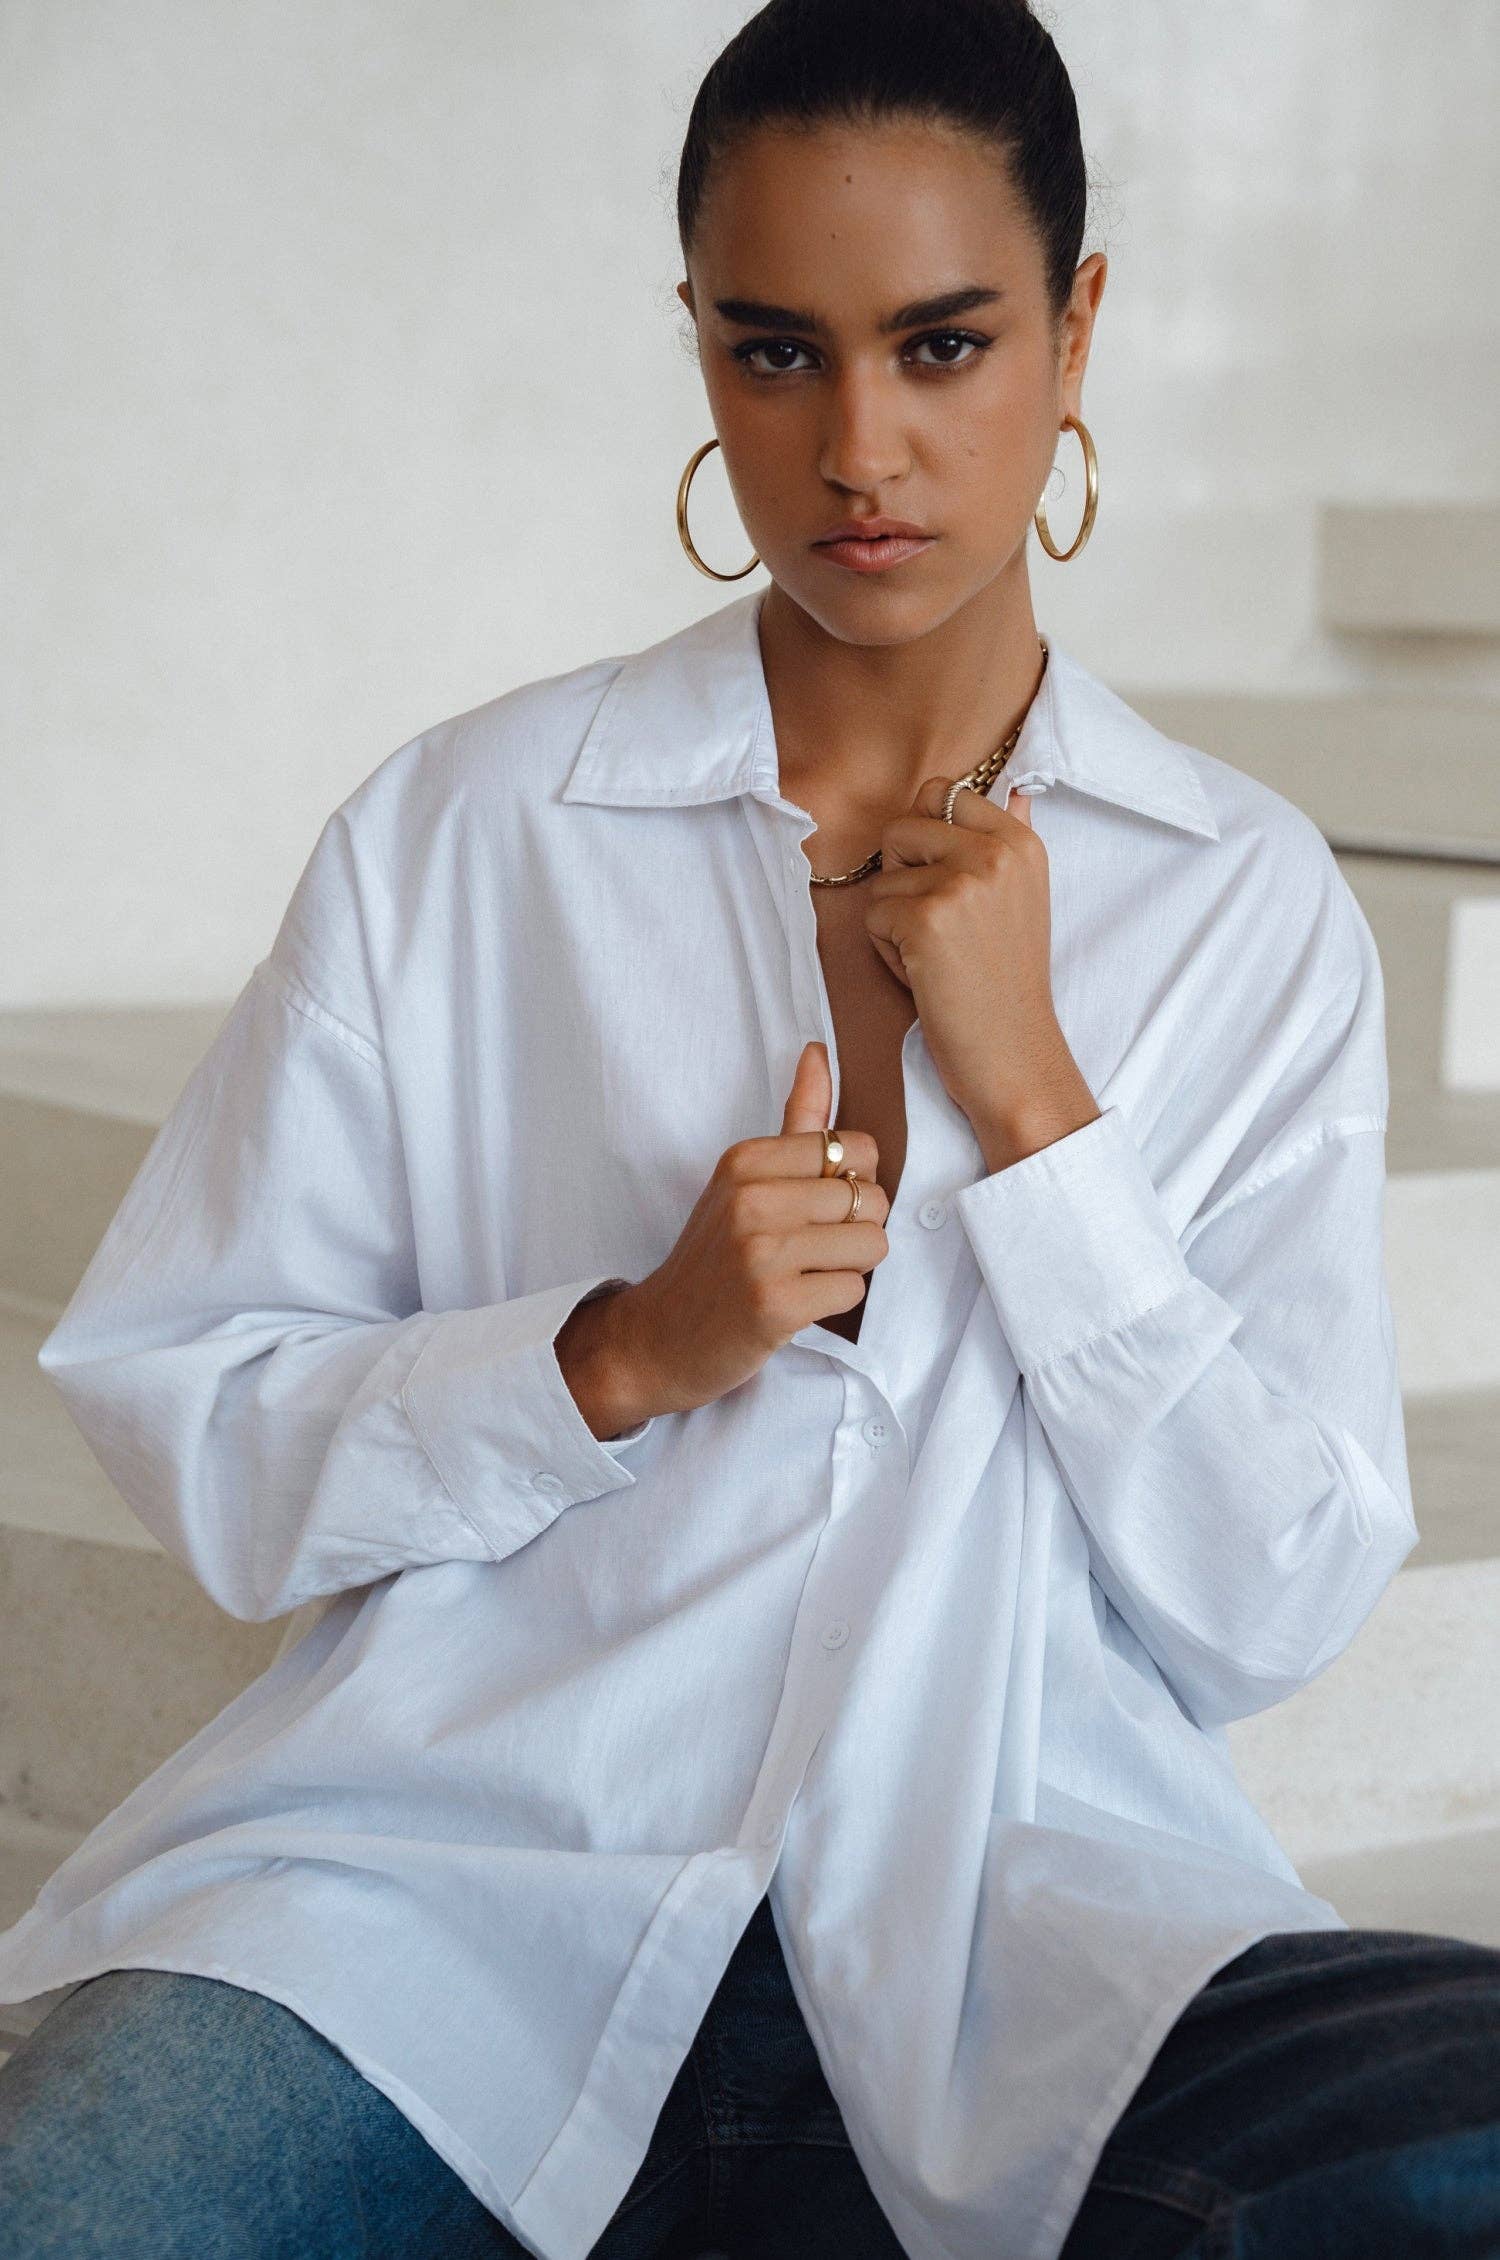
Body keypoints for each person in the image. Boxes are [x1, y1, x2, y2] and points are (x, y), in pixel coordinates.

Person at [2, 0, 1497, 2253]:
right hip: (444, 1904)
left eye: (945, 344)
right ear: (698, 339)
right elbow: (185, 1395)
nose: (859, 447)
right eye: (777, 351)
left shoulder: (1241, 900)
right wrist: (614, 1350)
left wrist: (1042, 1115)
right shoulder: (469, 832)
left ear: (1079, 330)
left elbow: (1269, 1596)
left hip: (1020, 1926)